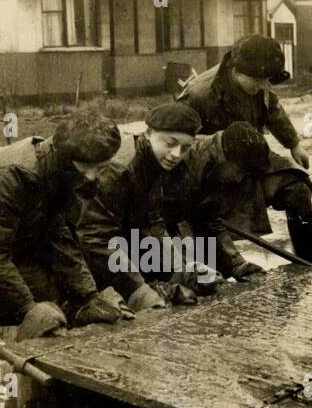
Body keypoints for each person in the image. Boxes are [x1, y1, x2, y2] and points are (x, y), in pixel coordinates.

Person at [0, 112, 130, 341]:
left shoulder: (62, 169)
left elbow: (60, 235)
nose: (90, 177)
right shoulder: (12, 176)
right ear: (65, 155)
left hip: (11, 250)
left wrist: (88, 296)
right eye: (85, 167)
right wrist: (29, 307)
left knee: (57, 313)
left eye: (100, 168)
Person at [177, 33, 312, 267]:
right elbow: (177, 142)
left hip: (252, 161)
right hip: (212, 175)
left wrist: (293, 143)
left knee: (297, 188)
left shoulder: (258, 78)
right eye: (258, 81)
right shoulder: (200, 95)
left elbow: (272, 107)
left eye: (267, 80)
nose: (264, 86)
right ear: (236, 72)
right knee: (205, 226)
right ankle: (218, 271)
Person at [77, 101, 214, 311]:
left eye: (185, 148)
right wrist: (138, 289)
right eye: (170, 143)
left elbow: (151, 220)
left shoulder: (153, 162)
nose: (176, 154)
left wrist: (180, 267)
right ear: (148, 133)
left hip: (104, 240)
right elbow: (94, 238)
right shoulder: (119, 170)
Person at [161, 121, 276, 282]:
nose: (238, 179)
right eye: (239, 172)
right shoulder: (185, 163)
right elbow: (165, 224)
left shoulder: (218, 165)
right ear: (226, 158)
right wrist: (188, 270)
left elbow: (211, 219)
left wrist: (236, 263)